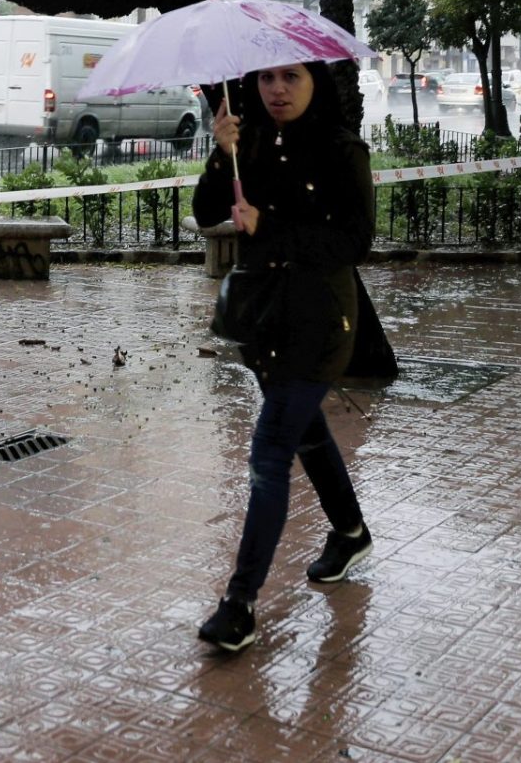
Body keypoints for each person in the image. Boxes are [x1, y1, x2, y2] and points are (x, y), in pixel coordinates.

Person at [191, 62, 376, 653]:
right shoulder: (250, 144)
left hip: (320, 321)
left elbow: (354, 241)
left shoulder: (343, 149)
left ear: (315, 82)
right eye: (267, 78)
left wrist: (268, 223)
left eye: (291, 77)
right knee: (305, 430)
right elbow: (204, 212)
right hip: (263, 317)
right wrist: (222, 153)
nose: (277, 89)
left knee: (270, 451)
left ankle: (239, 604)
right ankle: (349, 532)